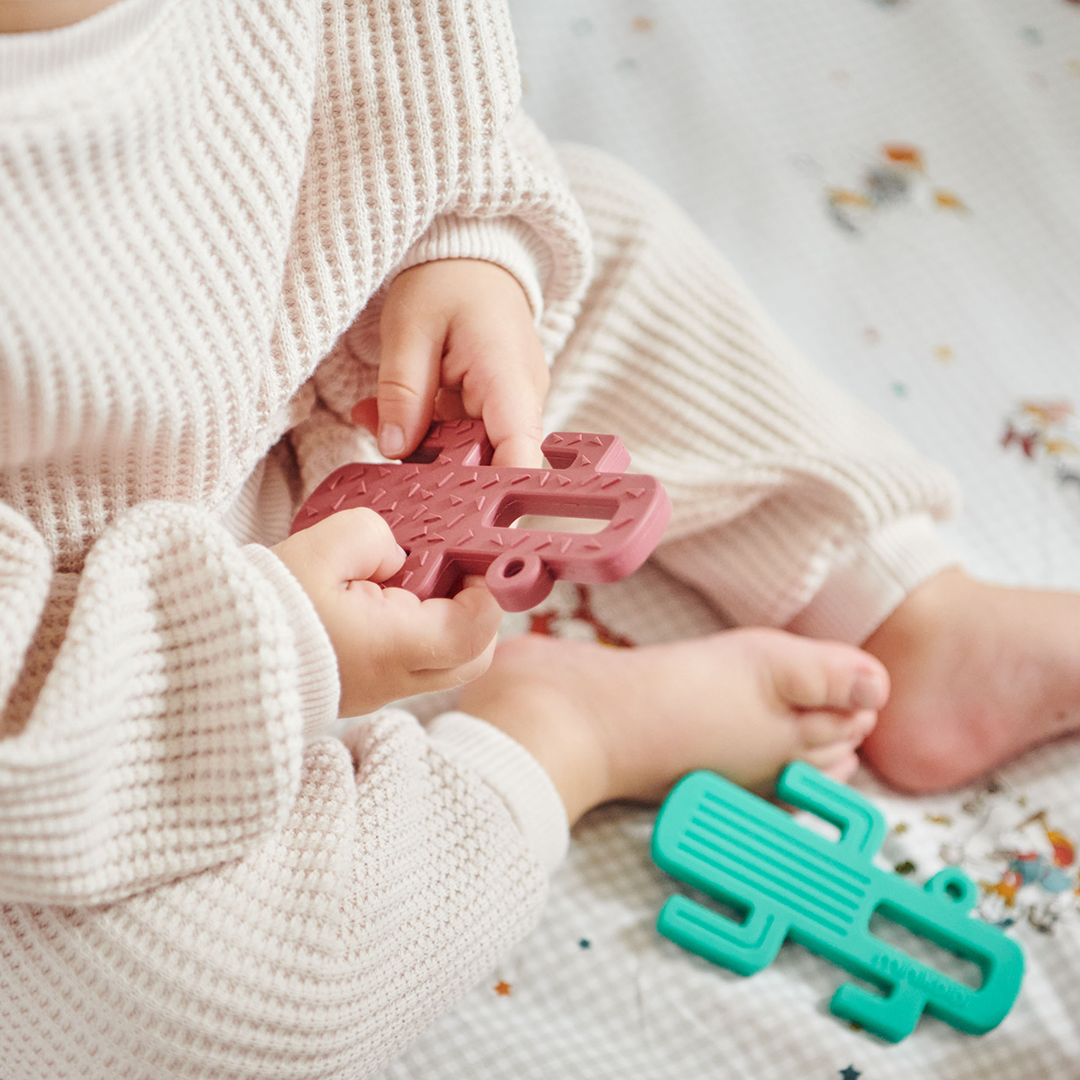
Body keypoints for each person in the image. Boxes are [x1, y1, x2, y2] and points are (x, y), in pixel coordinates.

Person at [1, 0, 1079, 1077]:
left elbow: (422, 88)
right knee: (205, 1001)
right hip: (96, 713)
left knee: (602, 227)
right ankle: (559, 736)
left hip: (327, 407)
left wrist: (463, 249)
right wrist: (275, 640)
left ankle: (900, 600)